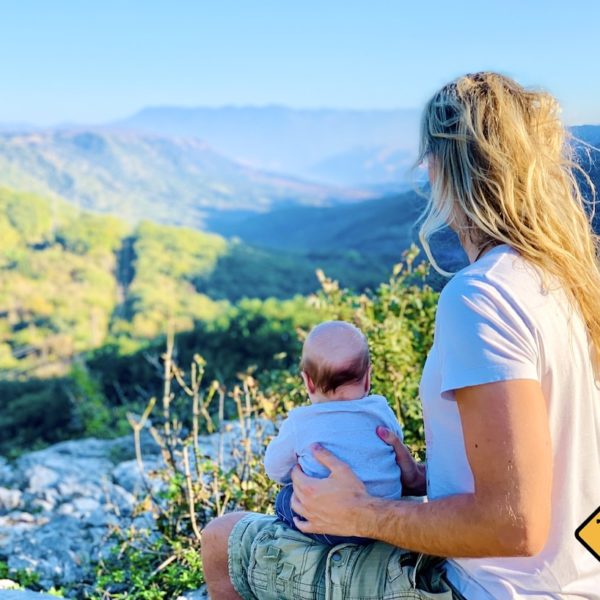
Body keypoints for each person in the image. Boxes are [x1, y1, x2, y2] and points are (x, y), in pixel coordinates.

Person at [201, 72, 600, 599]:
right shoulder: (565, 280)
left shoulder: (481, 296)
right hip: (576, 578)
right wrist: (422, 481)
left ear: (438, 169)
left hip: (487, 587)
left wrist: (360, 513)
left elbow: (514, 524)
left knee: (224, 540)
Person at [264, 320, 404, 546]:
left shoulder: (301, 422)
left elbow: (274, 469)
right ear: (368, 378)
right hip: (385, 513)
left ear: (308, 382)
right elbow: (396, 444)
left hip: (331, 526)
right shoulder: (381, 411)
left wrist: (300, 469)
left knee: (284, 497)